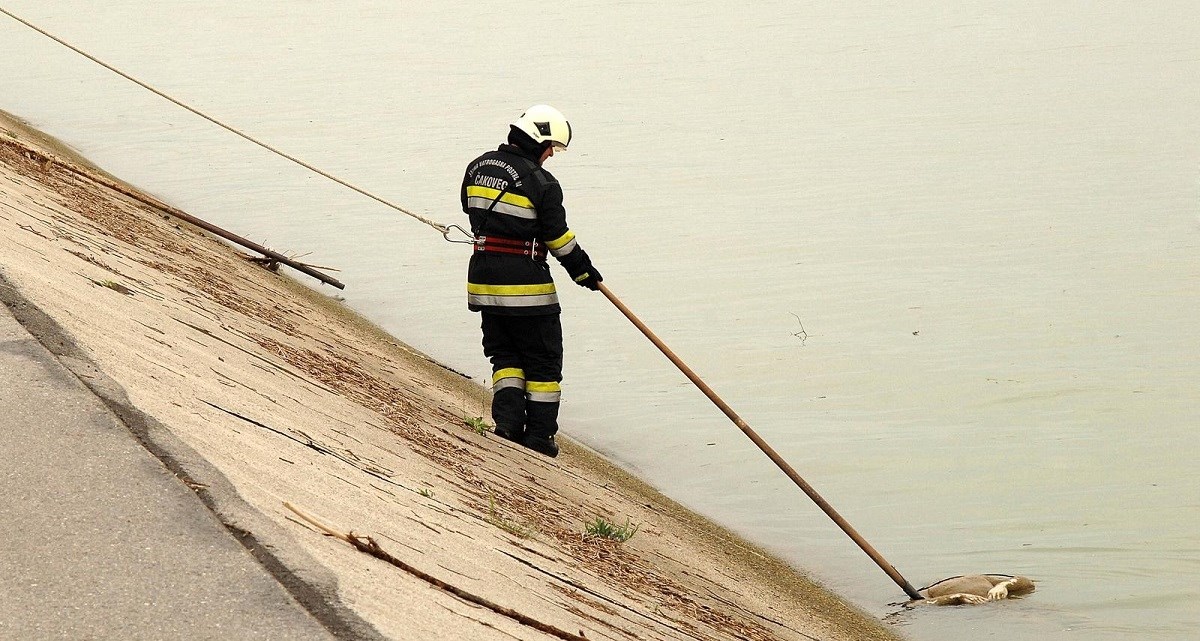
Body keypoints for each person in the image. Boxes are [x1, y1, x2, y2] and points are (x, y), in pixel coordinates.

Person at [460, 105, 602, 458]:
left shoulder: (478, 166)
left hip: (483, 281)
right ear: (538, 139)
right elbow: (558, 239)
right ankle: (539, 438)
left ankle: (506, 425)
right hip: (527, 288)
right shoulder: (543, 183)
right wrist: (585, 272)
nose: (552, 153)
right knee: (543, 362)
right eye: (551, 146)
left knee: (504, 355)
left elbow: (468, 207)